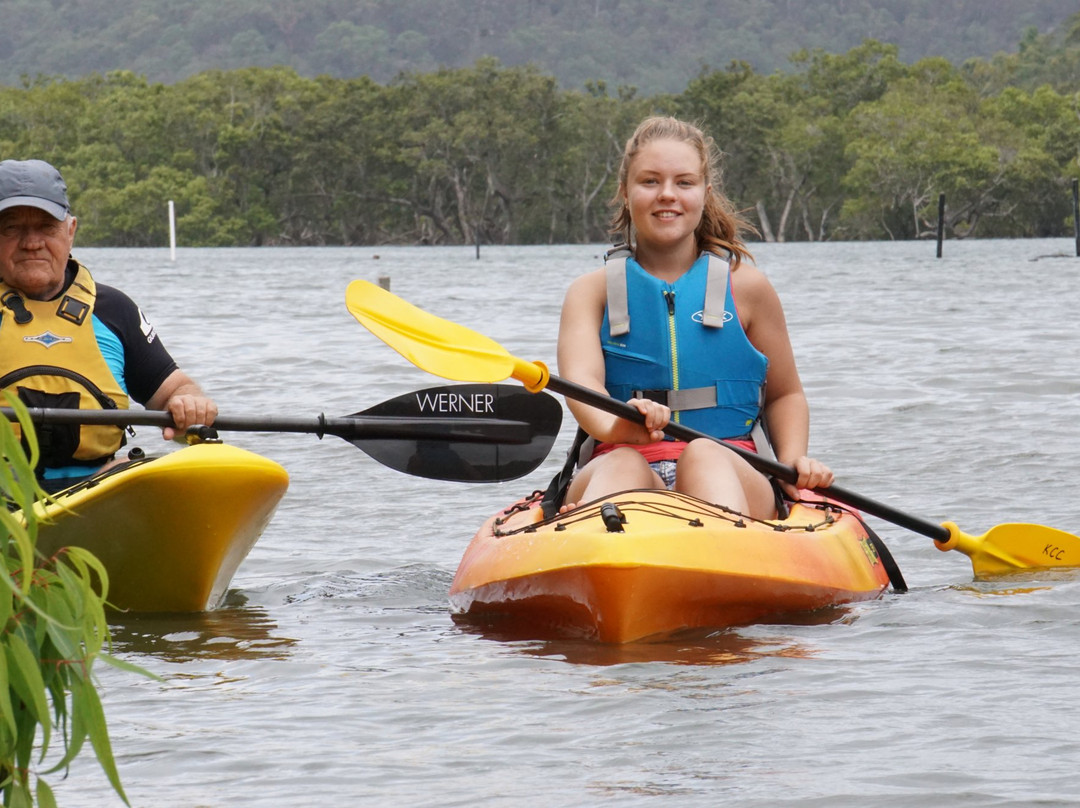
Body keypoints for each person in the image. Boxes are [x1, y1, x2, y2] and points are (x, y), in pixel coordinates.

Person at [556, 116, 833, 518]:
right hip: (621, 461)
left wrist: (794, 461)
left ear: (705, 192)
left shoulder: (749, 288)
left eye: (683, 183)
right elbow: (582, 385)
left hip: (732, 465)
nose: (667, 194)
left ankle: (723, 552)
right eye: (650, 181)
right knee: (622, 464)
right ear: (625, 191)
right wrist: (621, 427)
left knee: (705, 454)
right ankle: (603, 547)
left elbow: (785, 394)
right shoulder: (590, 292)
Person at [0, 158, 217, 492]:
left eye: (47, 227)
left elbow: (174, 389)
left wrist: (189, 402)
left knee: (168, 472)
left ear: (70, 231)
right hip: (6, 495)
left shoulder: (114, 310)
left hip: (95, 490)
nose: (32, 243)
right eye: (12, 228)